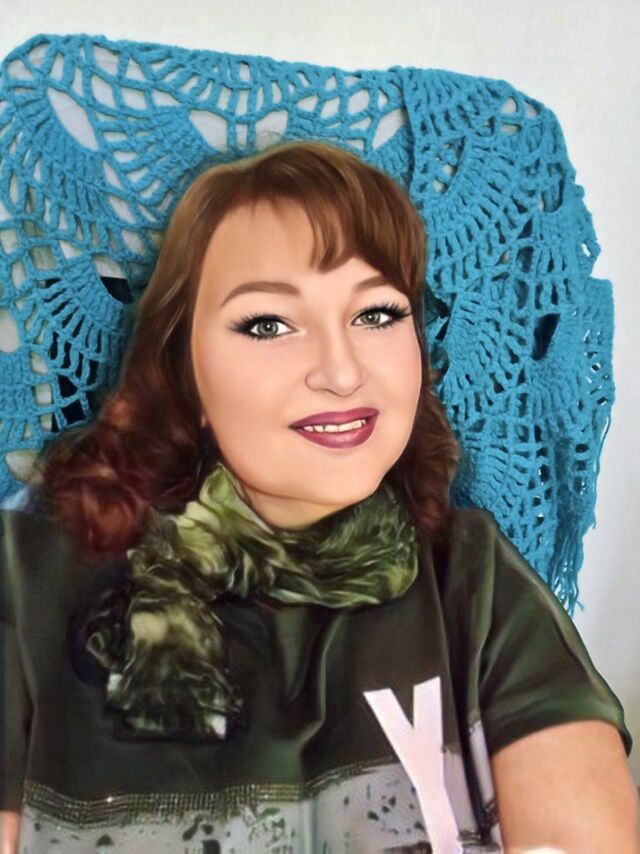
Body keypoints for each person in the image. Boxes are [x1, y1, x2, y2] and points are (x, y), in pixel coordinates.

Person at [1, 139, 637, 853]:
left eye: (377, 314)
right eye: (269, 324)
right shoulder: (27, 579)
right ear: (183, 372)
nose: (341, 371)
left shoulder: (475, 582)